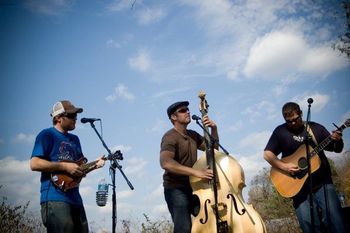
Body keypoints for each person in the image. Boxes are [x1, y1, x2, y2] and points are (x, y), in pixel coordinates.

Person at [263, 102, 346, 233]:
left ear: (301, 113)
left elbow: (337, 149)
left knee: (336, 223)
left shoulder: (315, 129)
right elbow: (267, 154)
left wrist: (337, 140)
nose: (293, 123)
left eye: (295, 119)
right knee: (310, 228)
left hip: (322, 184)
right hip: (298, 189)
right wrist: (284, 167)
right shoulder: (280, 131)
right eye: (289, 121)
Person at [30, 100, 105, 233]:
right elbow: (34, 163)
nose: (75, 119)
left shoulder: (75, 140)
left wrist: (95, 165)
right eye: (71, 116)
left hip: (75, 198)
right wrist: (64, 166)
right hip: (55, 198)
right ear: (58, 118)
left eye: (75, 116)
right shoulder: (47, 135)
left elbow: (78, 169)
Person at [159, 101, 219, 233]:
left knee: (210, 220)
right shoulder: (169, 137)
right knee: (184, 229)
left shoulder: (193, 135)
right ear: (173, 117)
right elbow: (166, 163)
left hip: (194, 188)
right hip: (175, 189)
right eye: (182, 110)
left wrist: (214, 129)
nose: (187, 111)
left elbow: (213, 150)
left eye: (187, 109)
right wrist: (197, 172)